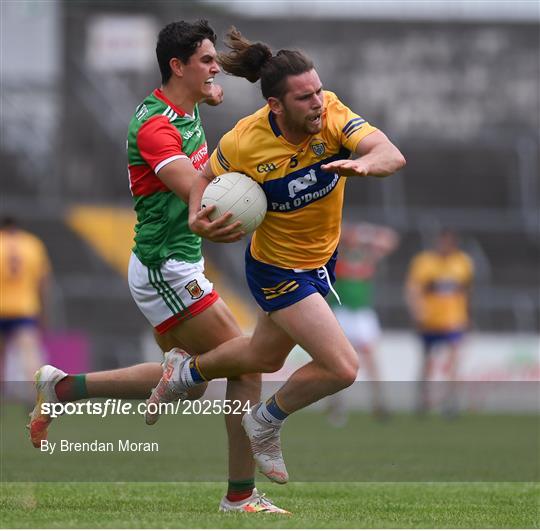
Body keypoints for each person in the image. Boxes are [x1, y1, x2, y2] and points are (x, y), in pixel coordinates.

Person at [28, 20, 288, 514]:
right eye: (207, 61)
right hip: (164, 267)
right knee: (249, 361)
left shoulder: (187, 113)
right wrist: (226, 199)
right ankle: (240, 497)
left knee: (192, 386)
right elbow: (193, 185)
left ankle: (62, 388)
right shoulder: (154, 125)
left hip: (176, 263)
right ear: (178, 66)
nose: (216, 68)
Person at [147, 27, 406, 484]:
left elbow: (391, 153)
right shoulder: (244, 141)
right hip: (277, 269)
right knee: (342, 367)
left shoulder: (333, 117)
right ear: (275, 105)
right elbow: (204, 178)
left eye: (319, 91)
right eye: (305, 97)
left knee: (263, 357)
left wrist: (366, 162)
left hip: (321, 261)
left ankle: (186, 370)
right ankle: (264, 422)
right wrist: (195, 217)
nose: (318, 103)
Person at [326, 222, 399, 425]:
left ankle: (379, 404)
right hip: (341, 312)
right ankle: (337, 406)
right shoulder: (335, 255)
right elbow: (332, 236)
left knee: (370, 360)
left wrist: (368, 233)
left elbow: (390, 239)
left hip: (362, 314)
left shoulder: (368, 257)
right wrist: (349, 233)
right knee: (338, 361)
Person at [405, 229, 474, 415]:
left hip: (454, 320)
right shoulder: (424, 262)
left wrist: (467, 316)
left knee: (453, 360)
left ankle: (450, 401)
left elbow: (465, 291)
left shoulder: (462, 262)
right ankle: (423, 400)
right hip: (430, 321)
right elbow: (413, 289)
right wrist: (417, 312)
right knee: (427, 362)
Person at [0, 217, 51, 398]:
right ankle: (36, 395)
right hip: (24, 307)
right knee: (29, 355)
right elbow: (43, 281)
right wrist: (44, 311)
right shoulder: (32, 244)